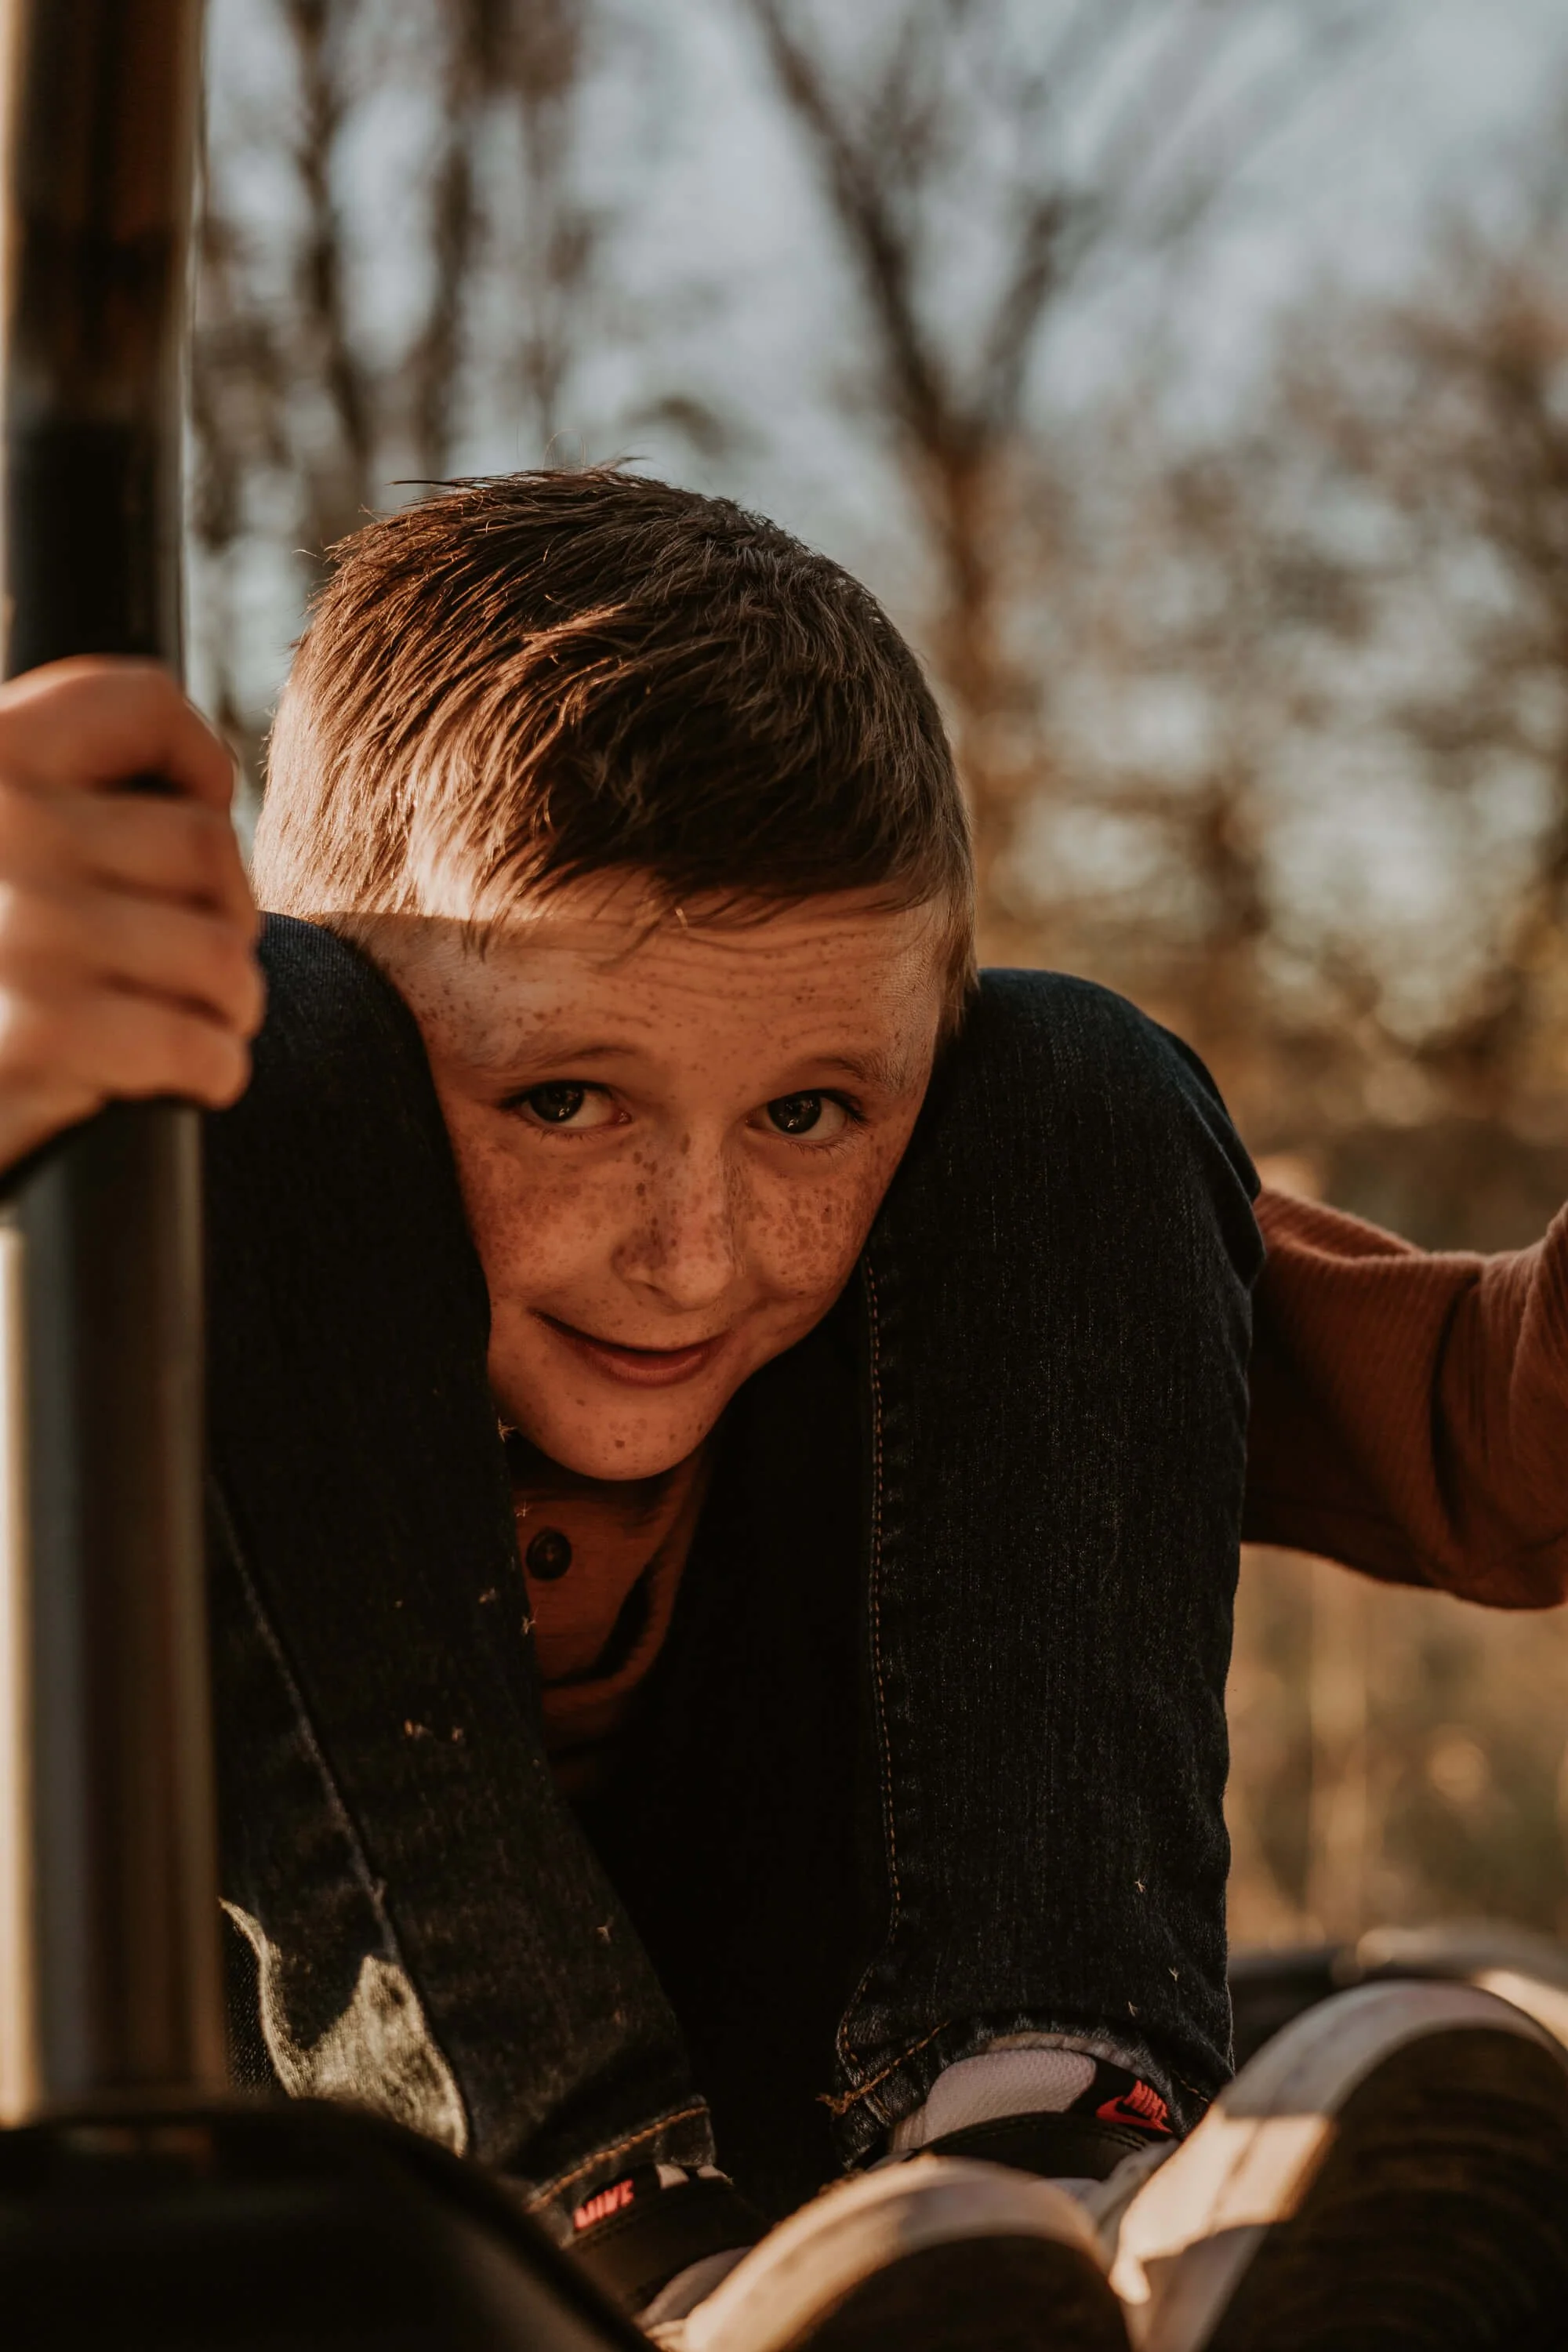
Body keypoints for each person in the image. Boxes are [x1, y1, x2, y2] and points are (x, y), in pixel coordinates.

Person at [0, 469, 1563, 2352]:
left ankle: (1049, 2168)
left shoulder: (943, 1248)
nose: (691, 1252)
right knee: (238, 1105)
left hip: (846, 2202)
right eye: (563, 1101)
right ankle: (611, 2255)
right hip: (313, 2177)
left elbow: (1494, 1435)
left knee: (1080, 1076)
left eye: (809, 1114)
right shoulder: (140, 1230)